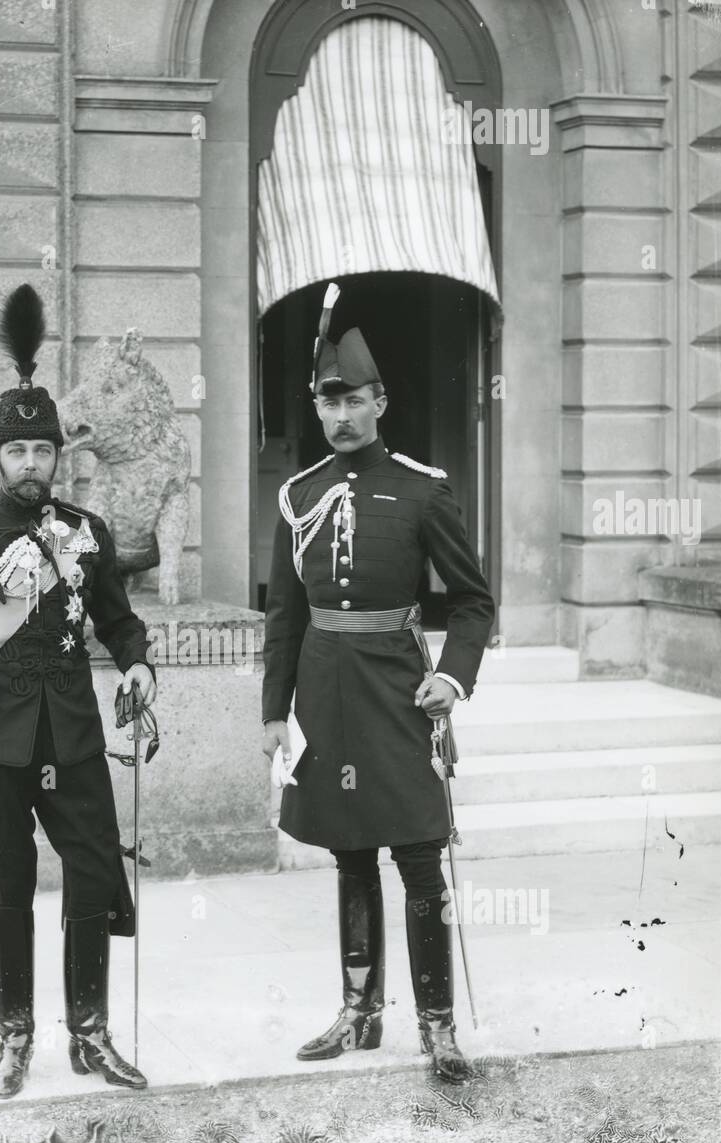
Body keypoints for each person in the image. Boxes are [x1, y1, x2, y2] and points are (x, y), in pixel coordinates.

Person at [0, 284, 154, 1098]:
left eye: (42, 453)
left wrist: (139, 661)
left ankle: (89, 1033)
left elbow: (118, 621)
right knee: (11, 883)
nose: (30, 466)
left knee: (91, 875)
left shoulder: (87, 535)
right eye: (16, 453)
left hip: (73, 739)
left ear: (58, 458)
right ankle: (14, 1037)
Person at [262, 290, 495, 1083]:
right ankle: (358, 1011)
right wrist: (273, 715)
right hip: (324, 693)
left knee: (419, 857)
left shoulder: (421, 488)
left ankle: (436, 1026)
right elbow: (285, 618)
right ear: (317, 407)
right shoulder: (297, 497)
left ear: (379, 402)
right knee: (348, 853)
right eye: (328, 401)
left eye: (354, 399)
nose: (341, 415)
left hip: (400, 689)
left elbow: (472, 601)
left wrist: (452, 679)